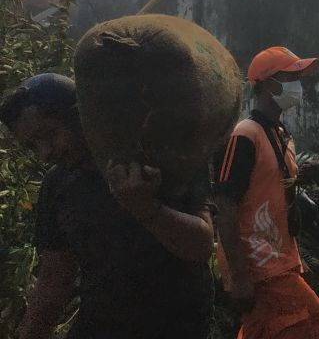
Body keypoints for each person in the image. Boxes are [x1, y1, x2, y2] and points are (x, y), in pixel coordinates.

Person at [1, 72, 216, 339]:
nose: (45, 152)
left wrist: (145, 208)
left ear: (79, 114)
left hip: (176, 328)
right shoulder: (57, 186)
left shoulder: (162, 158)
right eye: (33, 146)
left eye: (49, 134)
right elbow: (54, 281)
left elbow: (201, 246)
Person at [213, 47, 319, 339]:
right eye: (290, 76)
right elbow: (224, 203)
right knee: (318, 324)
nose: (298, 84)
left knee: (266, 330)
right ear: (267, 83)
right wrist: (240, 276)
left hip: (280, 258)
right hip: (258, 263)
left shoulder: (280, 134)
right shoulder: (245, 135)